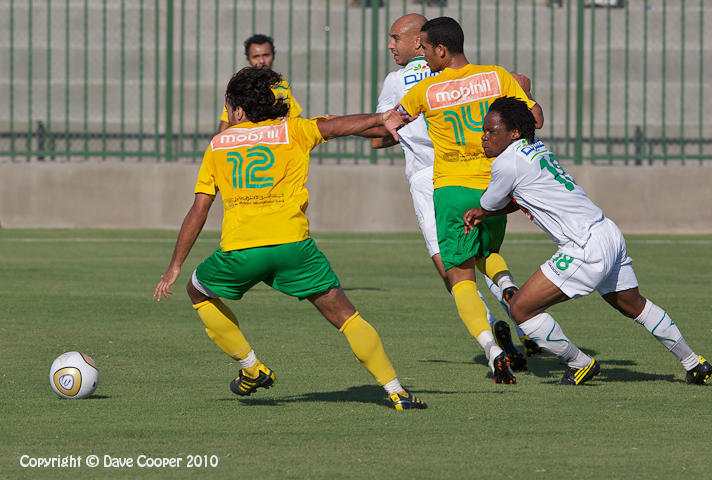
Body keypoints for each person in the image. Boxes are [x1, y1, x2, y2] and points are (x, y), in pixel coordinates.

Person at [154, 67, 427, 410]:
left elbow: (198, 210)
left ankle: (251, 367)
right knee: (347, 317)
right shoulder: (293, 130)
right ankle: (397, 391)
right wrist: (382, 116)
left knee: (198, 291)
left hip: (241, 251)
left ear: (239, 110)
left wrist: (175, 265)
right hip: (294, 248)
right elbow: (337, 125)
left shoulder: (218, 144)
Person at [463, 96, 712, 385]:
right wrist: (487, 211)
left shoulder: (507, 163)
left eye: (491, 131)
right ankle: (694, 362)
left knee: (521, 309)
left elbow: (493, 202)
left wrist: (481, 211)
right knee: (634, 305)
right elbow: (523, 196)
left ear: (514, 132)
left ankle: (579, 362)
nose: (484, 137)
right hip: (607, 232)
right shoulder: (534, 148)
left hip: (583, 246)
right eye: (484, 130)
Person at [372, 13, 541, 372]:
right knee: (488, 251)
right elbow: (535, 119)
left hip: (444, 186)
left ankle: (492, 350)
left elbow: (385, 128)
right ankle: (509, 289)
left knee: (456, 273)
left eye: (426, 49)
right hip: (493, 185)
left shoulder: (420, 88)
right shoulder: (497, 76)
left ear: (438, 49)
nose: (422, 55)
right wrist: (526, 92)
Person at [217, 34, 302, 133]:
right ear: (248, 59)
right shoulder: (242, 86)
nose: (261, 61)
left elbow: (296, 117)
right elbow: (224, 127)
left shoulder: (281, 83)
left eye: (266, 55)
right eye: (256, 56)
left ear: (273, 55)